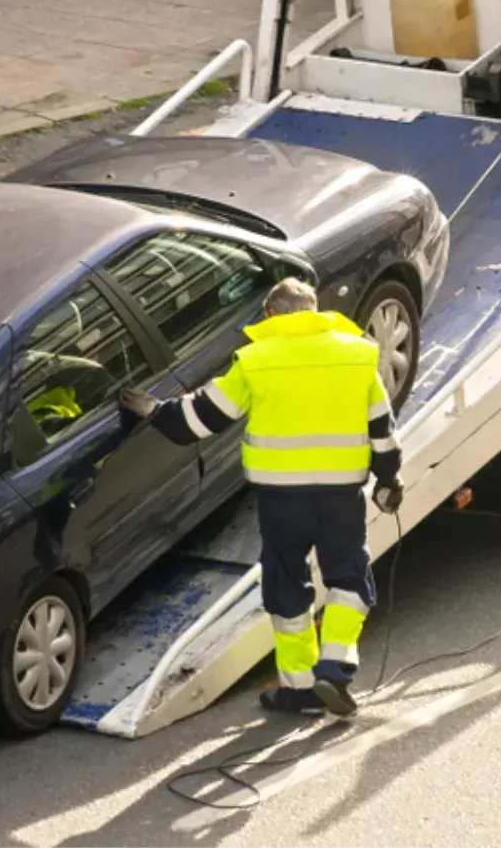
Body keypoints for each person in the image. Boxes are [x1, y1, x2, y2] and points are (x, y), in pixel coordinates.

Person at [120, 278, 402, 719]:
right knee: (348, 579)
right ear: (312, 310)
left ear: (271, 315)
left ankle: (301, 691)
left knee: (287, 586)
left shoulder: (254, 362)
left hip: (281, 502)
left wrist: (152, 410)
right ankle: (336, 665)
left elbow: (198, 420)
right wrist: (389, 480)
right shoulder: (356, 354)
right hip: (340, 497)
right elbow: (383, 430)